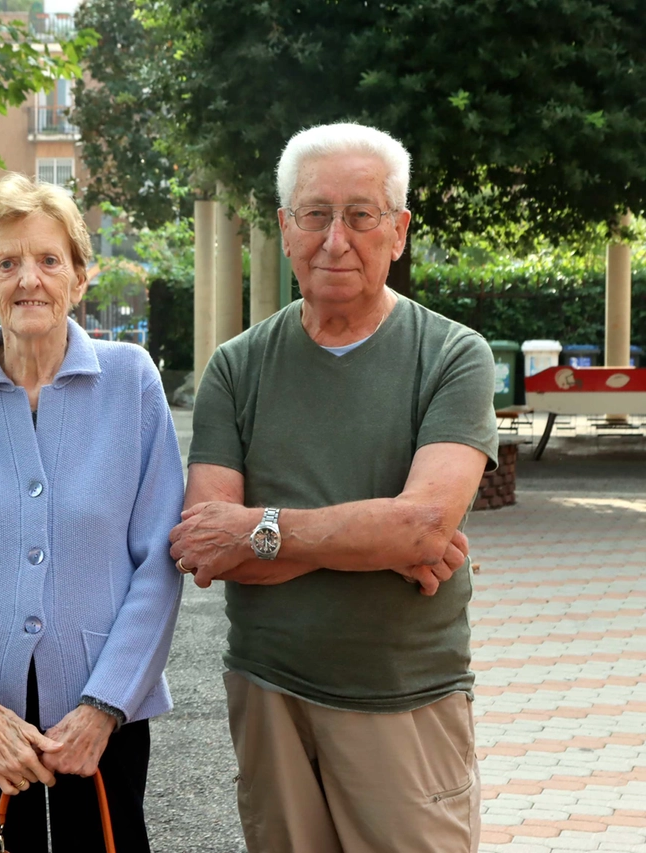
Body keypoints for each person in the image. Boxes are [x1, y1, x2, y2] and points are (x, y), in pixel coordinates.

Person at [170, 123, 497, 853]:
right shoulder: (235, 368)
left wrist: (265, 527)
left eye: (362, 214)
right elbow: (206, 545)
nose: (336, 238)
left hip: (405, 696)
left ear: (399, 230)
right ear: (286, 228)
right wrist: (377, 539)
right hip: (269, 695)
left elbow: (421, 530)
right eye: (315, 213)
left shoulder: (452, 357)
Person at [0, 173, 184, 852]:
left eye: (49, 260)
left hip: (105, 704)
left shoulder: (131, 381)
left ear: (80, 277)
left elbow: (159, 559)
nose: (29, 280)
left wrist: (106, 705)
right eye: (8, 263)